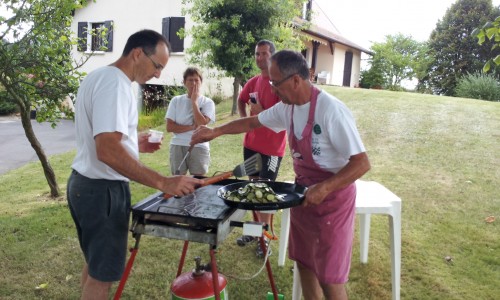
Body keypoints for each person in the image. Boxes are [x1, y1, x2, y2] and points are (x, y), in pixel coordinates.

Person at [192, 50, 371, 300]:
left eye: (276, 83)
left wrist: (325, 188)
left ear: (296, 80)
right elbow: (252, 122)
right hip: (301, 196)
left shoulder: (331, 110)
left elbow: (361, 163)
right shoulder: (287, 108)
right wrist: (215, 131)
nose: (272, 89)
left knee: (330, 278)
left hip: (332, 203)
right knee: (305, 265)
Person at [67, 29, 203, 300]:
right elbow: (106, 150)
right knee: (101, 277)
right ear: (138, 53)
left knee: (96, 267)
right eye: (157, 66)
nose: (158, 75)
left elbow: (104, 139)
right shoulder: (116, 84)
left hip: (84, 184)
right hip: (102, 190)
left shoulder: (98, 76)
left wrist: (132, 143)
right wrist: (163, 182)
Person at [236, 40, 287, 257]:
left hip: (272, 150)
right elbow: (241, 100)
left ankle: (265, 239)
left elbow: (284, 118)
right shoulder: (253, 81)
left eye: (264, 54)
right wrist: (245, 120)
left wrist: (261, 111)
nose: (260, 58)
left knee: (266, 192)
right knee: (253, 190)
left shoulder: (280, 84)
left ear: (273, 56)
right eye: (257, 54)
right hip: (251, 146)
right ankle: (255, 232)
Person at [166, 67, 215, 176]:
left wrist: (194, 102)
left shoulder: (208, 102)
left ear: (201, 82)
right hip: (178, 145)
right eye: (190, 80)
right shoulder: (176, 101)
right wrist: (192, 127)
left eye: (196, 80)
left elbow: (202, 124)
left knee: (198, 181)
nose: (193, 83)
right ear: (184, 82)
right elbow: (169, 127)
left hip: (199, 145)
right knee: (177, 180)